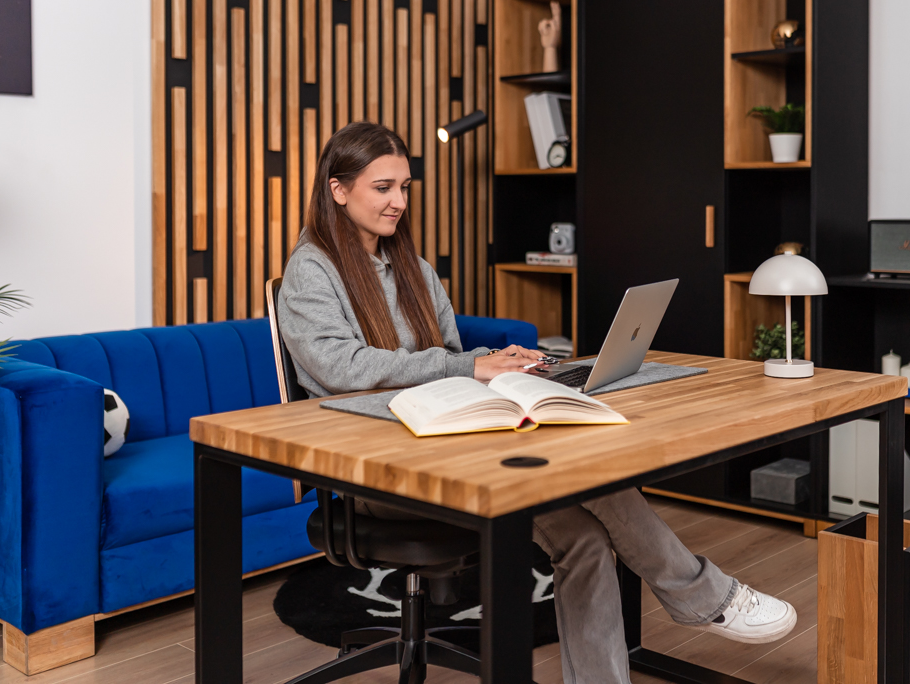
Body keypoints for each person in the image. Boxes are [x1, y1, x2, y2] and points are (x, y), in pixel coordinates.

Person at [277, 122, 798, 683]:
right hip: (380, 473)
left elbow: (446, 357)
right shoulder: (312, 269)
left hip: (445, 442)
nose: (399, 202)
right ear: (338, 190)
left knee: (585, 533)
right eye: (383, 188)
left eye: (404, 187)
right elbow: (341, 370)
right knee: (589, 487)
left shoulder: (414, 269)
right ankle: (704, 595)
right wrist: (467, 365)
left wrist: (502, 365)